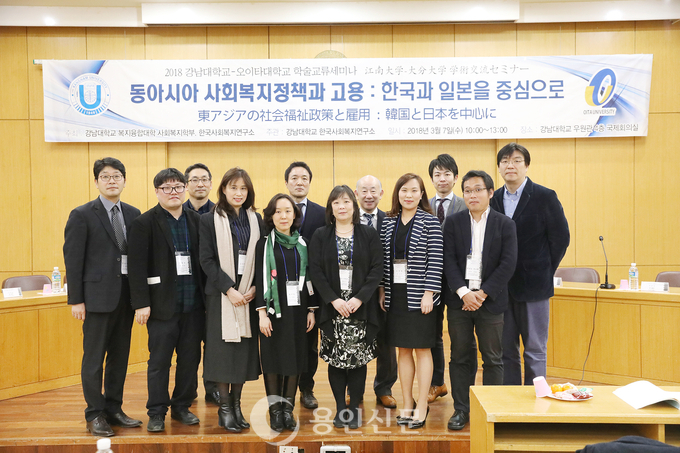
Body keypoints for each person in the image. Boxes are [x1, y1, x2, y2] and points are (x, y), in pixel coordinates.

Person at [63, 157, 142, 437]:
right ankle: (94, 414)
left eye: (117, 176)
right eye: (105, 176)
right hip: (96, 299)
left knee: (119, 358)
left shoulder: (133, 214)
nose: (112, 181)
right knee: (94, 359)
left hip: (125, 298)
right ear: (96, 181)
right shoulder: (82, 214)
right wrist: (76, 300)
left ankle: (113, 409)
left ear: (124, 180)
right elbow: (73, 260)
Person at [128, 168, 206, 433]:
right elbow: (136, 267)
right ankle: (157, 411)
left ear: (185, 189)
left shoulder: (197, 220)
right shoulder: (144, 222)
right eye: (167, 188)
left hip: (193, 305)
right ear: (157, 191)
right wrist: (141, 303)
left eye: (178, 187)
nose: (173, 192)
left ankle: (182, 406)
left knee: (190, 360)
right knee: (159, 362)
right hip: (161, 306)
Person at [489, 143, 570, 385]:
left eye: (516, 160)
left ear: (526, 166)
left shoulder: (545, 196)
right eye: (505, 161)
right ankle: (512, 399)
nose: (510, 165)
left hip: (534, 286)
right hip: (501, 289)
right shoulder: (493, 199)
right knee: (506, 350)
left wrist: (544, 269)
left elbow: (560, 238)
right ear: (499, 167)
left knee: (535, 349)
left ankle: (537, 398)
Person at [443, 170, 517, 430]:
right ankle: (461, 410)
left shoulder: (504, 224)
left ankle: (490, 409)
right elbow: (448, 261)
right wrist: (464, 292)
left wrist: (483, 293)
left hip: (491, 302)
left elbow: (508, 263)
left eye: (477, 190)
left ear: (490, 193)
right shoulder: (453, 223)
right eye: (467, 191)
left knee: (493, 358)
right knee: (460, 356)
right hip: (460, 302)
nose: (472, 195)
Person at [309, 185, 384, 429]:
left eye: (346, 202)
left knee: (358, 361)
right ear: (330, 208)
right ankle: (341, 407)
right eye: (336, 203)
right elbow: (315, 271)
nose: (341, 207)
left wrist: (359, 298)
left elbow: (377, 269)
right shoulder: (321, 235)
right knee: (336, 360)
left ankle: (354, 409)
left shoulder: (368, 234)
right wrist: (334, 300)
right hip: (334, 307)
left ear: (354, 206)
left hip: (359, 306)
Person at [199, 167, 262, 433]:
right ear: (223, 189)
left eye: (243, 188)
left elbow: (263, 257)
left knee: (242, 354)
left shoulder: (256, 219)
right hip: (221, 297)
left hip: (248, 295)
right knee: (223, 354)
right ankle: (224, 410)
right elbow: (206, 260)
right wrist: (228, 289)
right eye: (233, 187)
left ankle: (237, 406)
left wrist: (255, 287)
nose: (238, 193)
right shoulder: (208, 220)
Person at [380, 173, 443, 429]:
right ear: (398, 193)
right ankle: (407, 402)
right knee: (403, 350)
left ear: (421, 194)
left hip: (421, 297)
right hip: (395, 296)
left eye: (414, 190)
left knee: (423, 349)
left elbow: (436, 259)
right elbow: (383, 259)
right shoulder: (388, 222)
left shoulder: (430, 222)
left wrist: (429, 293)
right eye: (404, 190)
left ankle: (422, 404)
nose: (408, 195)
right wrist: (382, 290)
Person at [255, 193, 316, 432]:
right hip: (273, 311)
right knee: (272, 360)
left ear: (294, 215)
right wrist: (262, 314)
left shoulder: (303, 244)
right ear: (271, 216)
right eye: (278, 211)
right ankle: (275, 411)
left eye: (288, 211)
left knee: (295, 358)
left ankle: (287, 410)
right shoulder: (264, 244)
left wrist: (311, 310)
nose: (283, 216)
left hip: (298, 311)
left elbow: (310, 278)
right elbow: (259, 280)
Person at [427, 153, 468, 403]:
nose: (442, 179)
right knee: (433, 333)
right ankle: (437, 383)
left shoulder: (465, 204)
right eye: (437, 174)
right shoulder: (424, 205)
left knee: (458, 334)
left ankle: (463, 389)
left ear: (455, 177)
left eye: (447, 174)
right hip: (429, 281)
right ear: (431, 179)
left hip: (457, 281)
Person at [284, 161, 325, 409]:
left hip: (312, 287)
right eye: (294, 178)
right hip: (283, 286)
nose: (299, 182)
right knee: (286, 340)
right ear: (286, 182)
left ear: (310, 182)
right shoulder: (277, 210)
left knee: (310, 343)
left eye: (304, 178)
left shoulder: (322, 213)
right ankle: (285, 389)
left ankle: (307, 388)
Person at [355, 175, 397, 410]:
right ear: (356, 194)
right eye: (364, 191)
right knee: (354, 339)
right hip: (354, 292)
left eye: (373, 191)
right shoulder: (347, 220)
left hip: (384, 291)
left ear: (381, 194)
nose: (369, 195)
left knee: (386, 341)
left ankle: (384, 388)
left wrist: (383, 288)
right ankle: (355, 390)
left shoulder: (391, 221)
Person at [183, 163, 219, 407]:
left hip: (214, 288)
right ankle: (188, 390)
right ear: (187, 185)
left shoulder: (220, 214)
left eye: (204, 179)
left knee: (213, 343)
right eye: (194, 180)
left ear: (211, 184)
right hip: (187, 288)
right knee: (189, 345)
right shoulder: (177, 211)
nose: (200, 184)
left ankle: (213, 388)